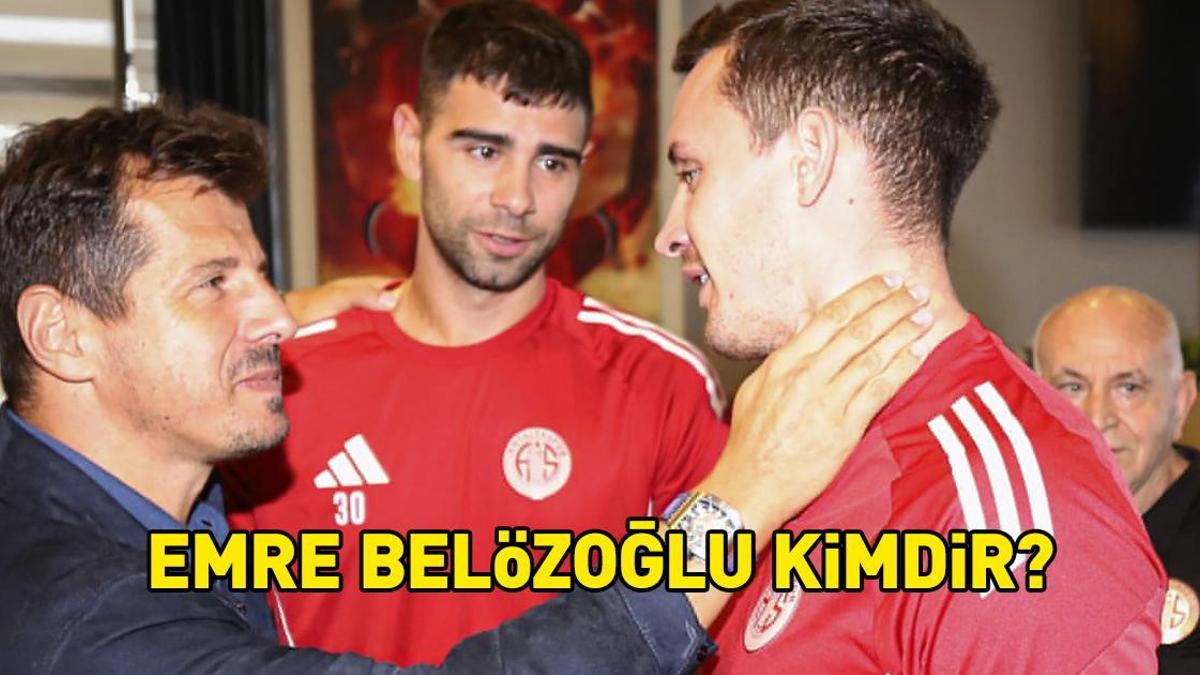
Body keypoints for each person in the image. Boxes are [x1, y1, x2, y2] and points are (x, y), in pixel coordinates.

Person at [0, 103, 933, 672]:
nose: (280, 315)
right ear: (63, 335)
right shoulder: (79, 612)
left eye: (262, 274)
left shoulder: (150, 509)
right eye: (212, 282)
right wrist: (742, 500)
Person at [653, 0, 1166, 671]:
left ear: (809, 157)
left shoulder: (1007, 523)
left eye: (692, 175)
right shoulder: (770, 446)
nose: (669, 232)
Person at [220, 2, 730, 665]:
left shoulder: (661, 384)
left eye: (552, 163)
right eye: (485, 150)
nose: (517, 198)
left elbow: (715, 634)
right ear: (411, 142)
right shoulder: (280, 379)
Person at [1034, 286, 1200, 671]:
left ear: (1180, 402)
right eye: (1072, 387)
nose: (1097, 418)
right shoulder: (998, 531)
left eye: (1128, 388)